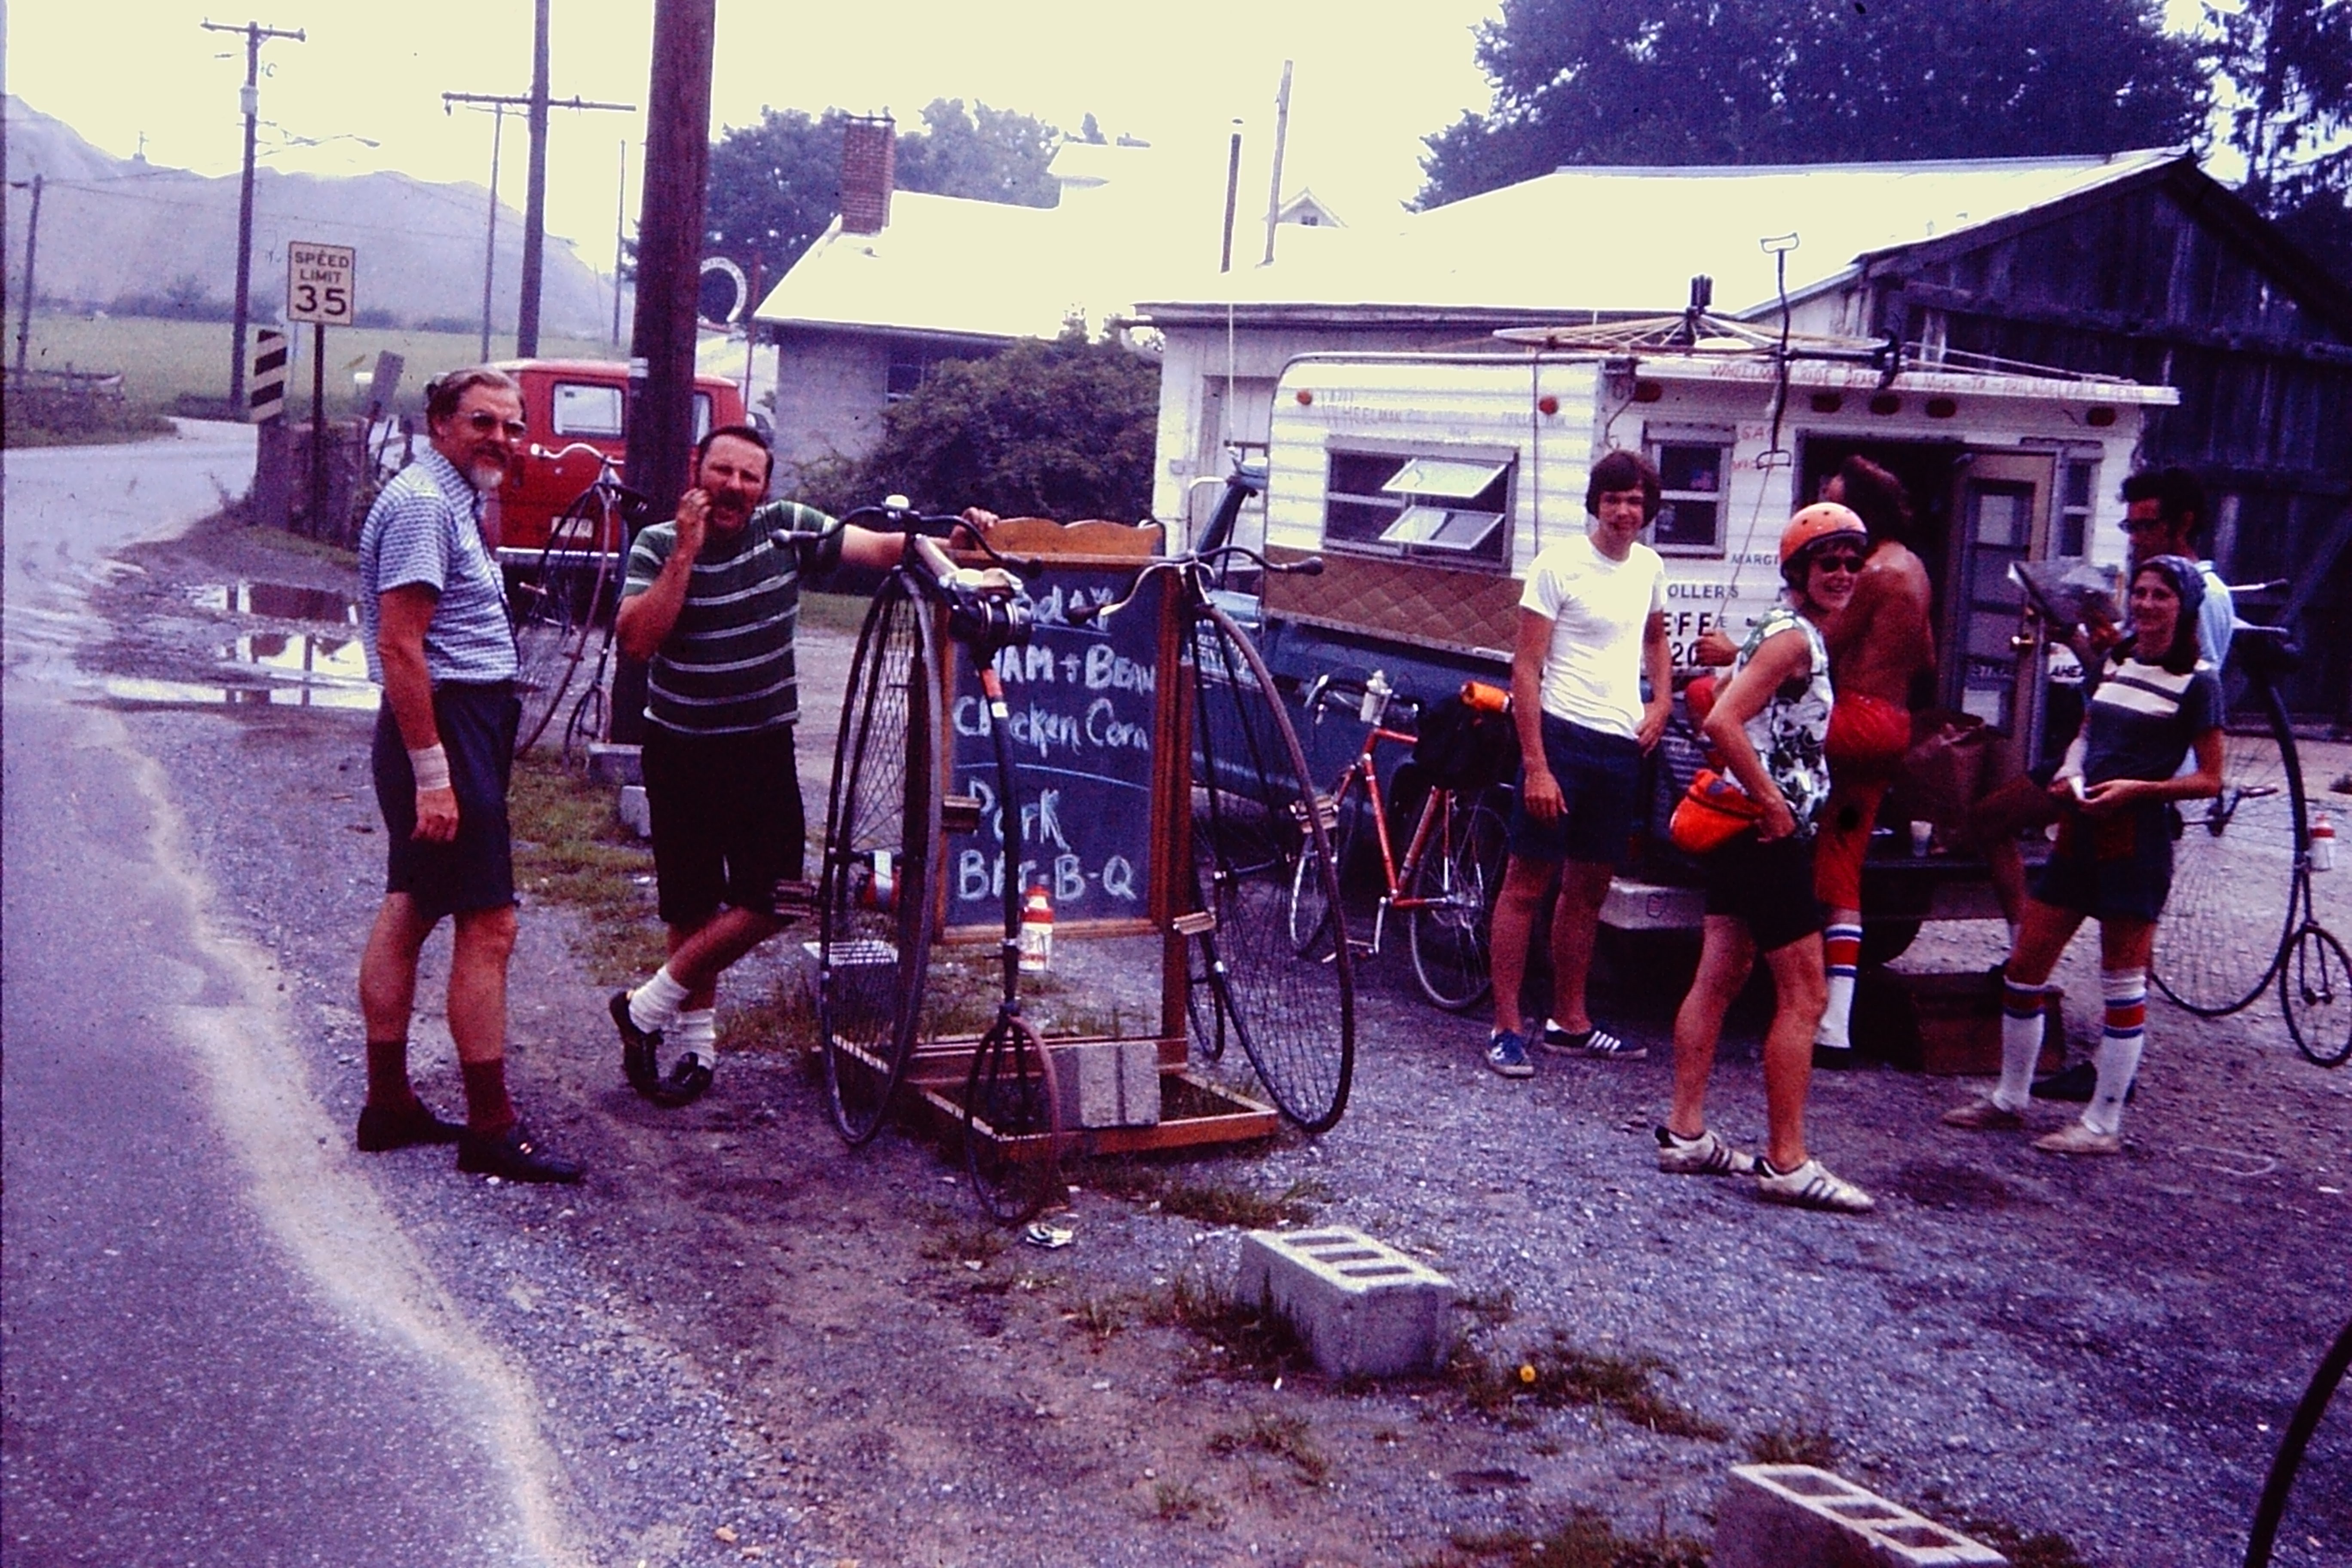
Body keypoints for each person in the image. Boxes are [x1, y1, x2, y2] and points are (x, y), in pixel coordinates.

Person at [605, 426, 921, 1106]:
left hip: (760, 745)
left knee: (780, 896)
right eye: (723, 471)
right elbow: (637, 641)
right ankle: (696, 1051)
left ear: (765, 488)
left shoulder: (786, 530)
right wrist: (685, 555)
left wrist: (967, 548)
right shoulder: (659, 544)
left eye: (750, 477)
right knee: (691, 903)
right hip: (681, 746)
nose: (735, 487)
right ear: (699, 473)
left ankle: (643, 1008)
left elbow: (884, 548)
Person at [355, 367, 582, 1183]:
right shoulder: (424, 503)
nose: (501, 439)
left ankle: (389, 1106)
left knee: (414, 903)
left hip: (460, 724)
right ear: (440, 423)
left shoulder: (449, 494)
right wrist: (434, 774)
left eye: (512, 426)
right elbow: (400, 645)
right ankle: (492, 1126)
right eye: (482, 421)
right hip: (445, 726)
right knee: (490, 925)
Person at [1941, 555, 2223, 1155]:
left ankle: (2102, 1124)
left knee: (2121, 983)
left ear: (2186, 606)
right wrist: (2069, 776)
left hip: (2136, 840)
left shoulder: (2200, 679)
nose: (2146, 605)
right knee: (2024, 970)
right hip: (2081, 828)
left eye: (2162, 596)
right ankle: (2009, 1099)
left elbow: (2210, 780)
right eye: (2141, 593)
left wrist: (2139, 791)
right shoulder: (2117, 660)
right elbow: (2088, 734)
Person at [1657, 503, 1874, 1213]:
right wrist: (1773, 800)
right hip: (1765, 831)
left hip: (1737, 826)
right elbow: (1720, 720)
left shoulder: (1776, 632)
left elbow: (1716, 699)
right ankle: (1787, 1159)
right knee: (1806, 994)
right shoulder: (1792, 642)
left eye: (1850, 560)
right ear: (1798, 572)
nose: (1841, 572)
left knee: (1718, 974)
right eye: (1827, 562)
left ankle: (1686, 1131)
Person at [1972, 469, 2232, 1016]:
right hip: (2098, 749)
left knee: (2127, 926)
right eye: (2130, 526)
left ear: (2184, 523)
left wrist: (2155, 780)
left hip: (2140, 767)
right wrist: (2084, 638)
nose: (2136, 538)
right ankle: (2029, 958)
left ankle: (2107, 1045)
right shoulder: (2161, 584)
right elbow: (2119, 684)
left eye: (2148, 526)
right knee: (1994, 820)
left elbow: (2189, 679)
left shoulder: (2197, 594)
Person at [1485, 448, 1672, 1077]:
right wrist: (1536, 764)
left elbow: (1654, 636)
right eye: (1614, 499)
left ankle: (1572, 1021)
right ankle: (1507, 1028)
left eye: (1636, 502)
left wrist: (1664, 701)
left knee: (1588, 890)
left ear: (1647, 510)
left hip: (1619, 745)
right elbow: (1526, 667)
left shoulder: (1648, 565)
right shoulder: (1558, 565)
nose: (1624, 512)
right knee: (1526, 884)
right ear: (1596, 503)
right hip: (1560, 740)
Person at [1808, 457, 1934, 1066]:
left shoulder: (1875, 573)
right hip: (1892, 721)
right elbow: (1928, 657)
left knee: (1712, 701)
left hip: (1852, 719)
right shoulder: (1914, 570)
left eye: (1835, 502)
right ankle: (1836, 1023)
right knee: (1843, 864)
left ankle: (1815, 1009)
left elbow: (1817, 643)